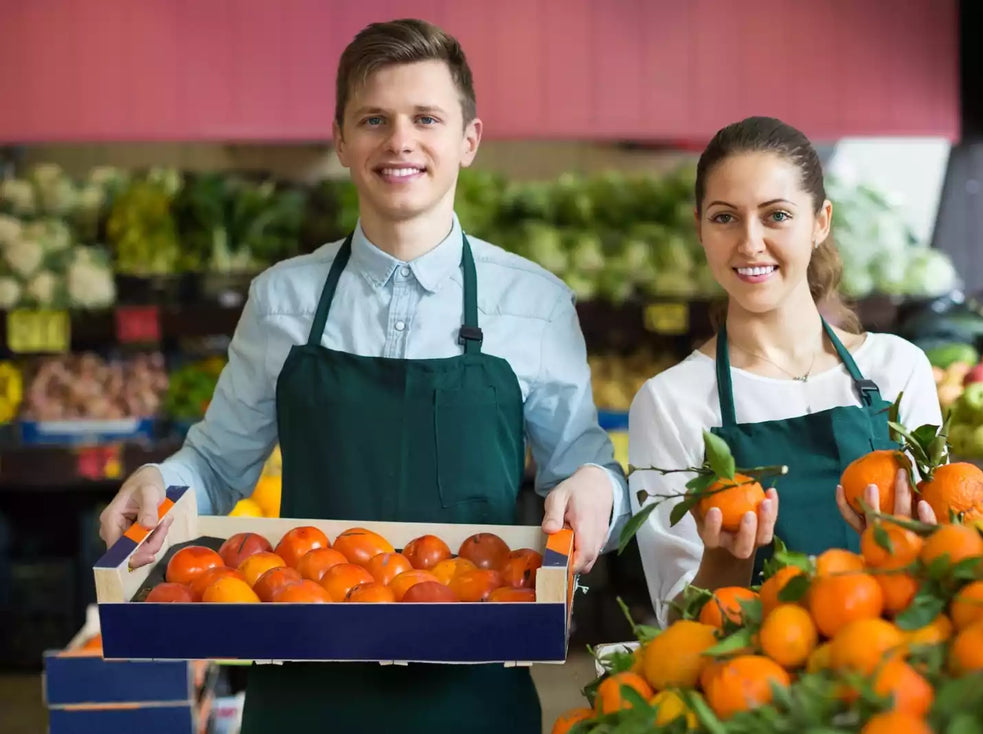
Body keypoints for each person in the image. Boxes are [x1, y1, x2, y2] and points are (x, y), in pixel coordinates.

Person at [97, 18, 628, 733]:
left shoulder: (534, 303)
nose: (400, 140)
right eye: (374, 119)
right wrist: (163, 482)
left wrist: (596, 487)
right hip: (304, 673)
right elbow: (220, 463)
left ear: (469, 140)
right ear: (341, 139)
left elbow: (586, 465)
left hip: (470, 686)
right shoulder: (282, 298)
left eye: (426, 118)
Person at [627, 117, 941, 627]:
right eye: (725, 218)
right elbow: (678, 626)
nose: (750, 243)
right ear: (700, 229)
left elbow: (946, 566)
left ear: (820, 222)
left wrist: (914, 545)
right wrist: (726, 561)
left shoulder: (898, 369)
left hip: (891, 671)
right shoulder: (670, 402)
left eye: (776, 216)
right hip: (757, 692)